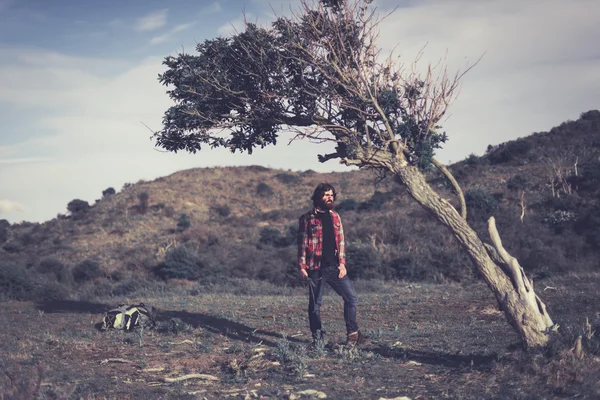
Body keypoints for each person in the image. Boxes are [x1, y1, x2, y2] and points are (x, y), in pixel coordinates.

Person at [297, 182, 365, 346]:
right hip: (315, 268)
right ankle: (318, 340)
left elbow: (341, 241)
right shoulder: (307, 218)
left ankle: (353, 335)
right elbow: (301, 243)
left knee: (351, 298)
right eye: (326, 195)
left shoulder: (335, 216)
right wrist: (301, 266)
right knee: (315, 305)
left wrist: (342, 264)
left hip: (335, 267)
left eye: (332, 195)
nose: (330, 198)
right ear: (318, 197)